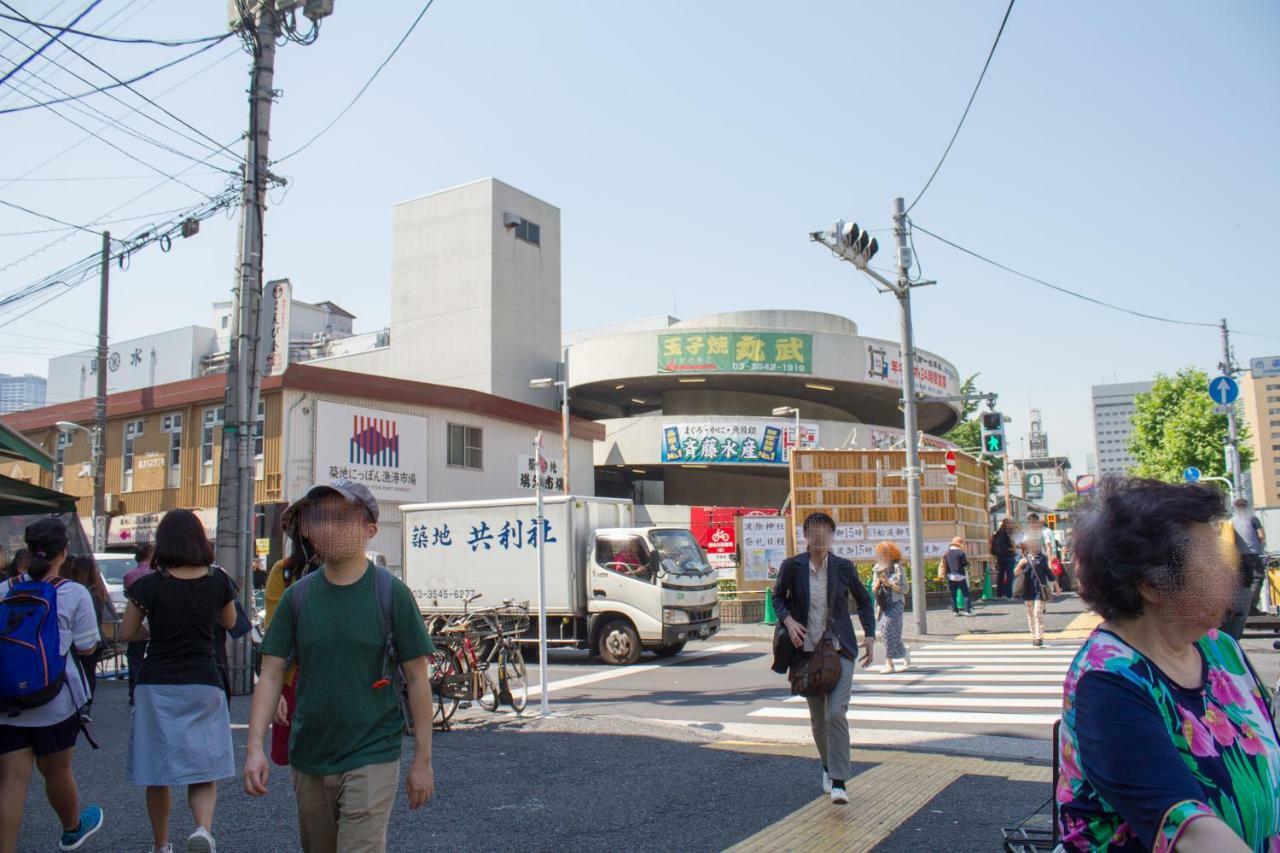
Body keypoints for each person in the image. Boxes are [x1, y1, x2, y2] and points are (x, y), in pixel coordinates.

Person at [1058, 477, 1279, 851]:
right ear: (1153, 585)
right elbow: (1187, 831)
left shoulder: (1219, 648)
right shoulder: (1108, 681)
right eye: (1210, 559)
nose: (1229, 571)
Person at [244, 480, 437, 853]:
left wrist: (422, 762)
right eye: (320, 518)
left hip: (373, 751)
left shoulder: (391, 594)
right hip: (310, 754)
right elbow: (270, 673)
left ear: (370, 530)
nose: (328, 527)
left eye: (342, 518)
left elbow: (417, 679)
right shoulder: (297, 597)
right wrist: (254, 747)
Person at [121, 510, 237, 853]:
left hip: (157, 682)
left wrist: (154, 627)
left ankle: (161, 845)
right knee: (203, 766)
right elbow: (230, 622)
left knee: (157, 772)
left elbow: (128, 633)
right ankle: (202, 829)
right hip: (204, 679)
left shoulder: (147, 586)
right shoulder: (219, 581)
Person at [0, 518, 105, 853]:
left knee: (12, 782)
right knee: (57, 771)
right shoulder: (73, 593)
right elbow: (88, 646)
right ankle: (72, 829)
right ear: (64, 552)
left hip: (6, 700)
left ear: (29, 552)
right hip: (55, 698)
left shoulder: (3, 590)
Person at [771, 512, 875, 806]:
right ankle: (828, 767)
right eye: (814, 533)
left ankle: (840, 782)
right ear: (805, 536)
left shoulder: (843, 567)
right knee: (818, 721)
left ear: (832, 536)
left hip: (840, 649)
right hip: (806, 652)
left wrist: (869, 635)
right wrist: (789, 622)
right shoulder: (792, 566)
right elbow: (777, 598)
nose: (819, 539)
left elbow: (864, 600)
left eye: (825, 533)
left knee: (835, 714)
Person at [262, 532, 317, 767]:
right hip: (297, 678)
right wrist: (274, 691)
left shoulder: (362, 575)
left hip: (346, 682)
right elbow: (275, 638)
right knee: (303, 766)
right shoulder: (284, 571)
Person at [65, 556, 114, 711]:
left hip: (80, 637)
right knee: (89, 673)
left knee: (78, 672)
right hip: (97, 637)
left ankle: (81, 706)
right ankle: (87, 705)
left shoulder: (78, 591)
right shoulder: (97, 589)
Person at [1222, 497, 1267, 640]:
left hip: (1236, 555)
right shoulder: (1252, 519)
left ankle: (1242, 610)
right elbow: (1261, 535)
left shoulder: (1231, 521)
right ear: (1247, 506)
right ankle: (1252, 608)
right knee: (1257, 579)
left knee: (1242, 583)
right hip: (1252, 554)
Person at [123, 542, 155, 705]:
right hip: (153, 619)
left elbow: (128, 598)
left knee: (134, 658)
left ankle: (134, 692)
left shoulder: (129, 575)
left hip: (135, 618)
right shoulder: (155, 575)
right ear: (150, 554)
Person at [871, 541, 908, 673]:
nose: (883, 557)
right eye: (881, 554)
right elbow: (873, 589)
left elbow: (905, 589)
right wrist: (876, 585)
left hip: (896, 603)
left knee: (887, 629)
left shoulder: (899, 568)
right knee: (886, 632)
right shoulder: (877, 568)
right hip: (882, 605)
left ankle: (889, 663)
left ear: (892, 554)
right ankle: (904, 652)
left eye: (886, 554)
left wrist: (889, 584)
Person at [1015, 537, 1054, 647]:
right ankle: (1033, 635)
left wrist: (1055, 585)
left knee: (1037, 613)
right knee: (1030, 614)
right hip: (1027, 591)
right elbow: (1015, 573)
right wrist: (1020, 564)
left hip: (1039, 591)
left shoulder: (1042, 559)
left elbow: (1048, 572)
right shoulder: (1023, 559)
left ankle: (1039, 637)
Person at [940, 536, 973, 617]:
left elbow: (945, 564)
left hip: (951, 575)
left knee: (953, 594)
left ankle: (955, 611)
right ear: (959, 544)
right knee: (965, 594)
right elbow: (964, 563)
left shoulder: (947, 553)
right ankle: (967, 611)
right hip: (960, 575)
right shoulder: (961, 552)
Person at [991, 518, 1016, 599]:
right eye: (1011, 523)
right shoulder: (1008, 532)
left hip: (1000, 556)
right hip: (1009, 555)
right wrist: (1014, 550)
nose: (1012, 525)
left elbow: (992, 541)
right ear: (1008, 524)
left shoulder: (998, 532)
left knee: (1001, 575)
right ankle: (1009, 595)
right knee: (1010, 575)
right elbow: (1012, 543)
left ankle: (999, 594)